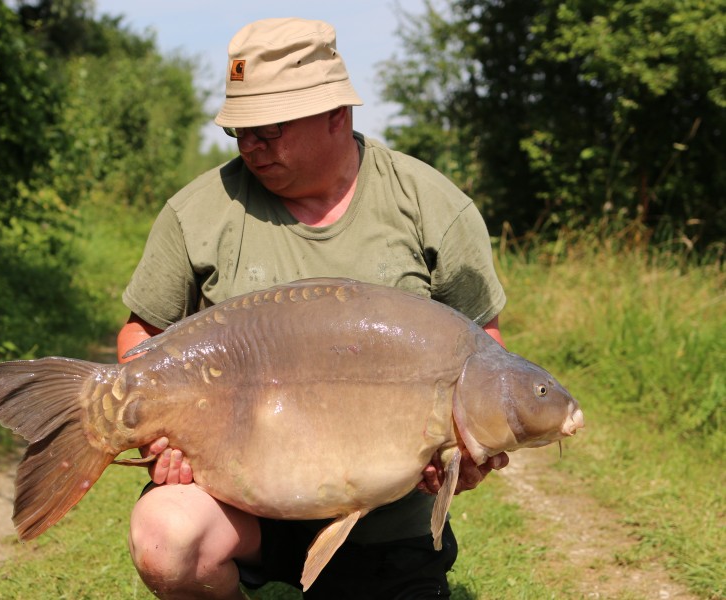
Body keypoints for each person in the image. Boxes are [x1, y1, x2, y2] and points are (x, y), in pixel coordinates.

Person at [117, 17, 509, 600]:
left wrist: (472, 444)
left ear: (337, 115)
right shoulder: (198, 213)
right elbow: (139, 338)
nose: (251, 145)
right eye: (239, 131)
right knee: (165, 536)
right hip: (240, 505)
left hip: (388, 521)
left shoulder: (429, 205)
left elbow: (486, 348)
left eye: (269, 129)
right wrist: (158, 435)